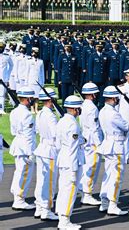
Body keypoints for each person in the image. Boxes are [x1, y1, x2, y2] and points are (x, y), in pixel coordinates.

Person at [97, 86, 129, 215]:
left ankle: (104, 201)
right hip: (116, 146)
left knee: (108, 174)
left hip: (108, 144)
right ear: (113, 98)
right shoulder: (113, 113)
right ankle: (113, 204)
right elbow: (126, 126)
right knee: (116, 176)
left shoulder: (103, 111)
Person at [55, 95, 85, 229]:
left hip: (63, 158)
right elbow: (73, 148)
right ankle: (65, 221)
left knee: (63, 190)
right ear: (75, 109)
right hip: (71, 161)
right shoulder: (72, 124)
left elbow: (57, 144)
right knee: (69, 191)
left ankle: (62, 217)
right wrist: (73, 170)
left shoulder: (62, 121)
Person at [33, 87, 60, 221]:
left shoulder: (40, 113)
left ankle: (39, 206)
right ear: (50, 100)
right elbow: (56, 133)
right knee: (49, 181)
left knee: (41, 180)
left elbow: (37, 130)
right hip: (49, 149)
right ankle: (47, 209)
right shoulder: (50, 115)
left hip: (42, 147)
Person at [9, 86, 37, 210]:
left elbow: (13, 131)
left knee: (19, 172)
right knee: (24, 173)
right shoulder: (27, 114)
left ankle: (17, 196)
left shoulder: (14, 111)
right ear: (28, 99)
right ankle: (19, 199)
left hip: (18, 144)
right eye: (31, 98)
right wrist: (31, 152)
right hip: (25, 148)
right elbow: (29, 136)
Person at [79, 83, 103, 206]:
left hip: (85, 137)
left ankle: (84, 191)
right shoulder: (92, 108)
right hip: (92, 140)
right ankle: (87, 193)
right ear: (93, 94)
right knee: (92, 167)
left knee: (86, 166)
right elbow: (94, 128)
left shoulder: (83, 105)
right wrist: (99, 144)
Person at [26, 47, 44, 114]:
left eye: (36, 52)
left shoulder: (41, 61)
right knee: (31, 96)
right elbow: (27, 72)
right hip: (31, 81)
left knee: (37, 96)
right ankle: (32, 109)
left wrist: (42, 82)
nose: (34, 54)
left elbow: (42, 72)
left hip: (38, 81)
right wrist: (26, 82)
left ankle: (36, 109)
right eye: (33, 52)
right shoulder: (29, 61)